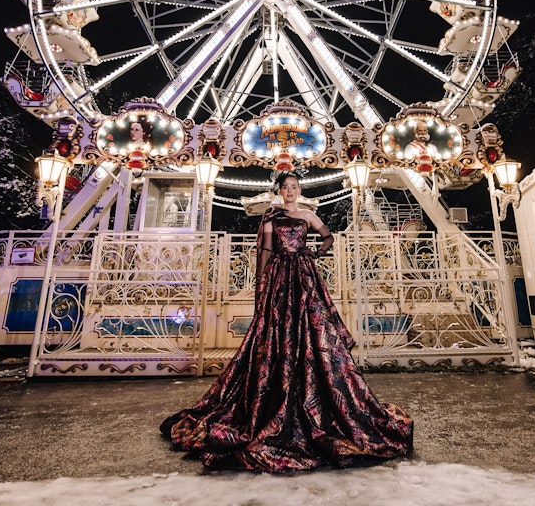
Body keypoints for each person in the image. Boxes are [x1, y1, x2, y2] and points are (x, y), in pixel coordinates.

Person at [159, 172, 413, 472]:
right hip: (279, 277)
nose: (290, 191)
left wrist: (319, 249)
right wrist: (261, 286)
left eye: (294, 187)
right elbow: (266, 251)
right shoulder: (269, 216)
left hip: (304, 274)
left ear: (298, 190)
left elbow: (328, 236)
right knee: (276, 330)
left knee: (312, 329)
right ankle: (277, 392)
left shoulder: (307, 214)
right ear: (279, 190)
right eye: (285, 187)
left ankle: (314, 389)